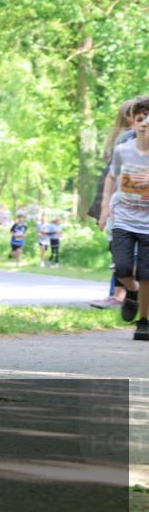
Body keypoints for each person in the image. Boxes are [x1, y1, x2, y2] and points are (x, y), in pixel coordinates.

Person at [98, 94, 149, 341]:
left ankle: (144, 321)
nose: (144, 124)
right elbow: (111, 176)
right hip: (124, 217)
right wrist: (105, 208)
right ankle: (132, 292)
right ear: (132, 123)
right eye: (139, 119)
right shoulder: (124, 147)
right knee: (123, 266)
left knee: (146, 272)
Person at [90, 99, 138, 309]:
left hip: (129, 200)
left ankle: (123, 294)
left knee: (129, 253)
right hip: (121, 199)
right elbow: (114, 175)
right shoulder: (126, 138)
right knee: (121, 251)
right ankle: (120, 294)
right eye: (137, 116)